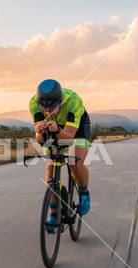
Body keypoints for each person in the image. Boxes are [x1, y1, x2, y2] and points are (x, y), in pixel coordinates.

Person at [29, 79, 91, 232]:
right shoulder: (34, 104)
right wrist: (40, 131)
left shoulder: (73, 102)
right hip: (53, 127)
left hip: (77, 128)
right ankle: (54, 214)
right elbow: (41, 140)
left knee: (74, 162)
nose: (48, 111)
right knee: (50, 169)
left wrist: (57, 130)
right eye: (44, 107)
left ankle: (84, 192)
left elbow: (69, 137)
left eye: (52, 106)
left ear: (60, 101)